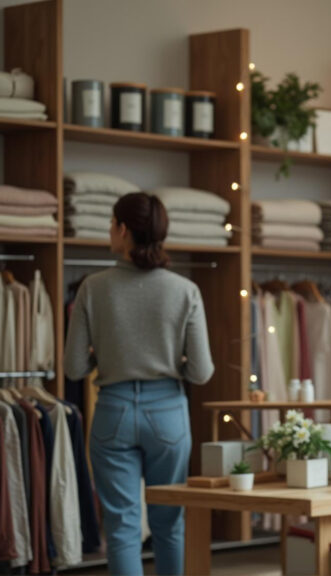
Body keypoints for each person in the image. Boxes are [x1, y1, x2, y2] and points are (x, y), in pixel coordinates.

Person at [65, 192, 214, 576]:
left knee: (122, 529)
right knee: (169, 524)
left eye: (111, 224)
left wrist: (110, 356)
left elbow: (74, 367)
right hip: (167, 414)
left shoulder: (92, 288)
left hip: (113, 411)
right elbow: (201, 371)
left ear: (123, 230)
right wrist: (168, 363)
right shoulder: (185, 290)